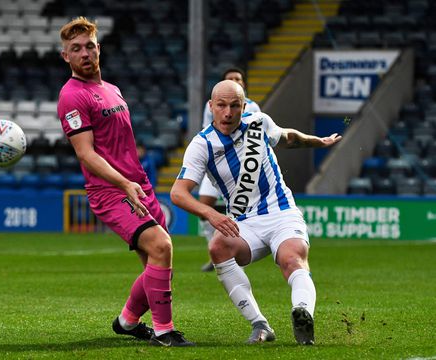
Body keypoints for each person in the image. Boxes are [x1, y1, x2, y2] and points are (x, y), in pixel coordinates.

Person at [170, 80, 341, 345]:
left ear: (243, 106)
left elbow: (289, 138)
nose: (228, 113)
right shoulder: (201, 145)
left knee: (292, 258)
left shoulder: (258, 123)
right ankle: (260, 325)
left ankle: (303, 312)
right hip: (244, 222)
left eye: (235, 106)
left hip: (280, 211)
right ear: (211, 107)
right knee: (218, 248)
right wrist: (212, 215)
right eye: (222, 106)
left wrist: (318, 141)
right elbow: (178, 193)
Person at [57, 17, 194, 347]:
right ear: (66, 57)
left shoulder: (112, 90)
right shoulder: (71, 96)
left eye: (89, 46)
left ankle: (128, 322)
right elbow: (86, 154)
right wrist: (123, 183)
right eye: (76, 49)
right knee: (162, 247)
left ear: (98, 48)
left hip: (137, 184)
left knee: (156, 268)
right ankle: (164, 331)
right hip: (111, 191)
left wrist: (135, 179)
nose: (85, 53)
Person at [199, 67, 261, 272]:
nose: (235, 81)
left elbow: (258, 137)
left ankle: (232, 252)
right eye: (230, 79)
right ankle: (214, 247)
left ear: (243, 84)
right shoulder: (211, 107)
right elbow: (206, 130)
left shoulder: (253, 108)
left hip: (239, 166)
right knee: (204, 206)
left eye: (238, 79)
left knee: (237, 208)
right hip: (215, 161)